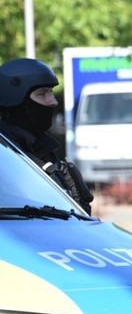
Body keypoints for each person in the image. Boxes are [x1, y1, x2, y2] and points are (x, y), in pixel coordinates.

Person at [0, 58, 94, 213]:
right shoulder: (6, 152)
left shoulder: (41, 148)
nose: (53, 102)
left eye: (50, 92)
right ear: (15, 102)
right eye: (42, 94)